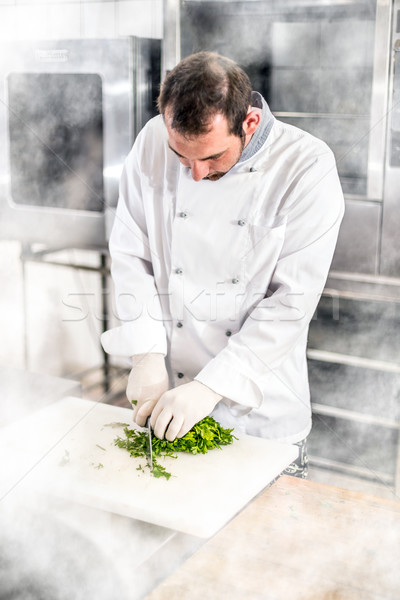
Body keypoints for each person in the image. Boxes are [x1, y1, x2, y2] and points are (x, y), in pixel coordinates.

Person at [101, 52, 344, 477]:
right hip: (169, 409)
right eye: (182, 157)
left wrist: (212, 386)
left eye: (211, 158)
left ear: (249, 122)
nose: (195, 174)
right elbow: (130, 255)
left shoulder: (307, 166)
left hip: (261, 422)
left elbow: (290, 305)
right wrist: (146, 355)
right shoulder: (152, 139)